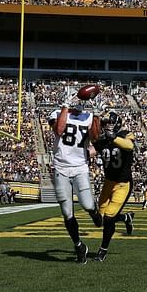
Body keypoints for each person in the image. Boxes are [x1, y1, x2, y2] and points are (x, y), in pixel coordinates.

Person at [48, 94, 102, 264]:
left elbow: (95, 138)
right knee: (67, 212)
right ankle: (79, 246)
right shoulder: (57, 112)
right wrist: (65, 106)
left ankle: (94, 211)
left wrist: (97, 115)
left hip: (80, 167)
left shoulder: (89, 117)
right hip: (61, 167)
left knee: (86, 204)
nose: (79, 103)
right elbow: (59, 130)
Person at [92, 111, 136, 262]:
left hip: (123, 184)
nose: (107, 127)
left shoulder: (125, 133)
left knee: (110, 218)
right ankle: (126, 217)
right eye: (104, 124)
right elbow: (93, 149)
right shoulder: (103, 139)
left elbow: (129, 146)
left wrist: (114, 137)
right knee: (100, 220)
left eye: (109, 123)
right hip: (108, 182)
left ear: (117, 123)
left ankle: (102, 250)